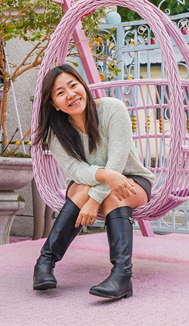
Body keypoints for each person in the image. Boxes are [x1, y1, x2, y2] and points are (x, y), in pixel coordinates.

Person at [32, 64, 155, 299]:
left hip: (132, 179)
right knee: (81, 191)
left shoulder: (112, 109)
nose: (70, 94)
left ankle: (122, 275)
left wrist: (94, 199)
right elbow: (75, 169)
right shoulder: (55, 131)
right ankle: (45, 263)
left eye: (73, 85)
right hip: (85, 181)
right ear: (53, 104)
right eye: (60, 93)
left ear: (83, 86)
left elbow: (117, 163)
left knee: (111, 193)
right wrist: (103, 178)